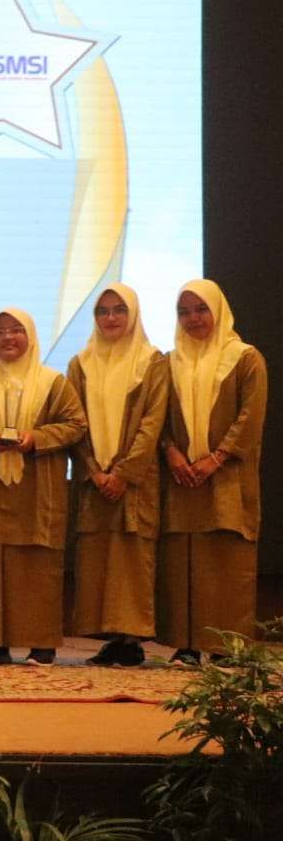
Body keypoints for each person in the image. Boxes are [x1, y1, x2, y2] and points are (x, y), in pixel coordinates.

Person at [0, 309, 86, 665]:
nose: (8, 338)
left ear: (30, 336)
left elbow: (76, 425)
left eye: (16, 330)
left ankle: (41, 643)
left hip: (38, 485)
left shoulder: (53, 382)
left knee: (37, 565)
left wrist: (36, 438)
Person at [157, 279, 267, 665]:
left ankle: (227, 648)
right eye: (184, 311)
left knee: (226, 562)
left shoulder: (245, 358)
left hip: (228, 479)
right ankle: (186, 645)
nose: (193, 318)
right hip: (182, 477)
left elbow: (250, 419)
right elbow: (158, 416)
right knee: (184, 562)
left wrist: (216, 458)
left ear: (218, 310)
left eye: (201, 309)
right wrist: (171, 452)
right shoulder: (169, 362)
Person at [66, 284, 168, 667]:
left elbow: (153, 422)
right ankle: (112, 639)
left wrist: (123, 473)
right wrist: (94, 471)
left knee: (131, 556)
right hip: (95, 480)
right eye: (102, 311)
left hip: (135, 479)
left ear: (133, 314)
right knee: (98, 559)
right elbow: (75, 421)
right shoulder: (81, 364)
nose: (110, 318)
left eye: (119, 310)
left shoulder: (152, 361)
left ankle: (132, 640)